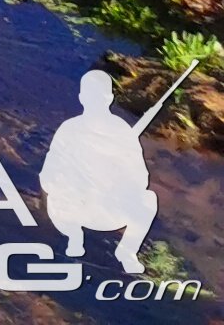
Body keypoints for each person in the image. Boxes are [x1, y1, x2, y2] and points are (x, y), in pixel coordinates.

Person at [40, 69, 160, 268]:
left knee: (148, 199)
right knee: (148, 199)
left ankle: (125, 251)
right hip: (77, 208)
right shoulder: (73, 129)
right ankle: (75, 237)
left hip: (103, 211)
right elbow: (50, 175)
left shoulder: (118, 132)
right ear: (110, 98)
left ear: (81, 97)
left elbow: (140, 179)